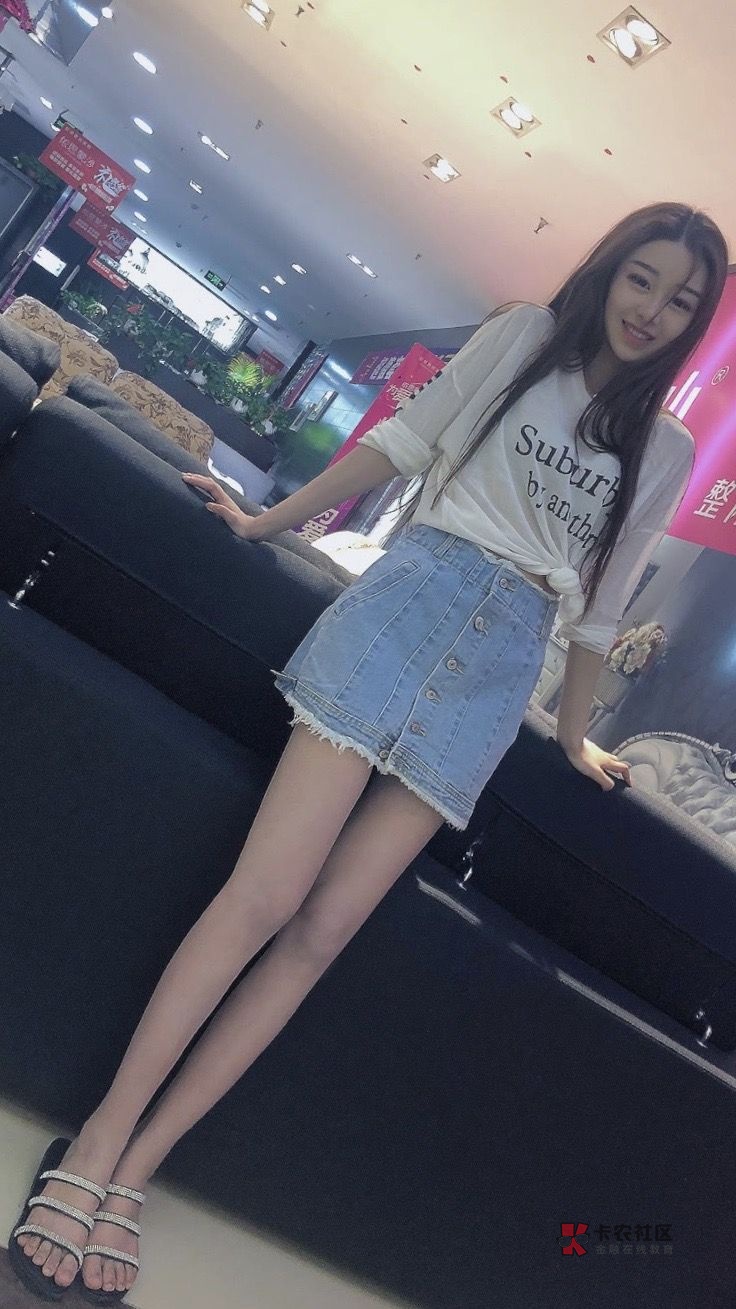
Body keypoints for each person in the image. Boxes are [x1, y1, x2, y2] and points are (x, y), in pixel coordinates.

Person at [10, 202, 728, 1302]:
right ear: (609, 270)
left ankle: (139, 1169)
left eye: (682, 302)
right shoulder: (526, 338)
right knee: (263, 897)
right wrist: (267, 524)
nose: (654, 311)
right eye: (644, 279)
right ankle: (98, 1140)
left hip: (497, 676)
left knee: (322, 932)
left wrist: (576, 735)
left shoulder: (665, 449)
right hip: (405, 608)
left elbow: (598, 610)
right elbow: (402, 443)